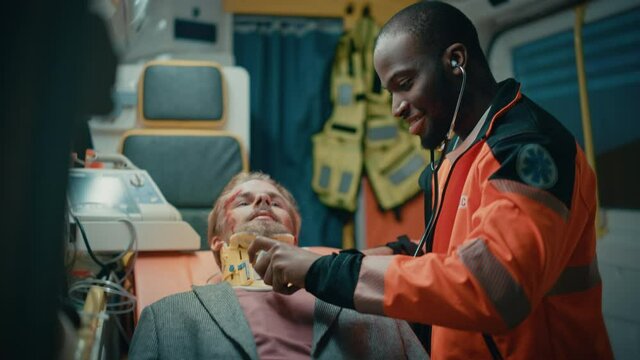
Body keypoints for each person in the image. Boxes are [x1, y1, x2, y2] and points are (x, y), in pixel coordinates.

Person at [248, 2, 614, 359]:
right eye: (390, 92)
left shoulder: (527, 149)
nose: (396, 107)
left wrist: (321, 271)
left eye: (404, 83)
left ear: (456, 61)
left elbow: (493, 286)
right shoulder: (456, 151)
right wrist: (329, 261)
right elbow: (436, 256)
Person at [129, 172, 426, 359]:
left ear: (295, 239)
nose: (262, 199)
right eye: (243, 202)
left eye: (276, 202)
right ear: (217, 243)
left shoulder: (367, 303)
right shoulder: (166, 318)